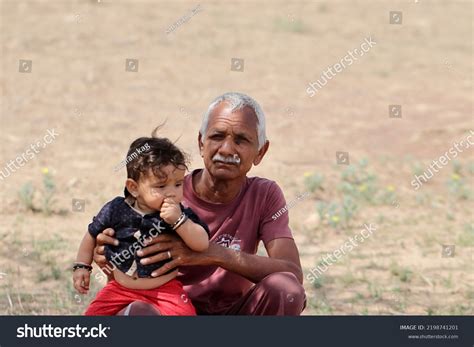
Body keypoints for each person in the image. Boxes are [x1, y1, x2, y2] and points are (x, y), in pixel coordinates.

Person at [94, 92, 306, 315]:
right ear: (201, 143)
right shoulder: (167, 195)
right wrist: (108, 254)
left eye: (241, 140)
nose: (226, 149)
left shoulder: (264, 194)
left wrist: (213, 253)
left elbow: (292, 273)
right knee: (139, 312)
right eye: (217, 136)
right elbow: (128, 263)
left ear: (260, 152)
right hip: (173, 311)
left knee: (286, 289)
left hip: (235, 312)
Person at [73, 129, 210, 315]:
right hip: (120, 288)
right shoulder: (116, 209)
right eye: (161, 186)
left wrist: (179, 221)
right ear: (134, 188)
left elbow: (202, 243)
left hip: (165, 291)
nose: (171, 192)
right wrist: (82, 266)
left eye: (178, 184)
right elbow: (91, 234)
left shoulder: (179, 214)